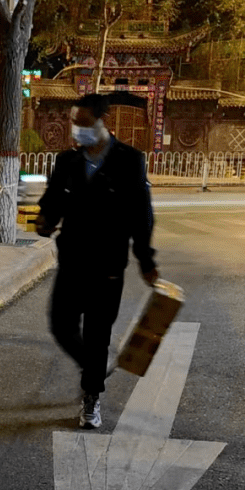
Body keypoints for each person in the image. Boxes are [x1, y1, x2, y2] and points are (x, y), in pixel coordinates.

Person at [35, 93, 159, 429]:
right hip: (72, 261)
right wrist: (45, 220)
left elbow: (141, 214)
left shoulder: (129, 160)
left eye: (84, 123)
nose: (77, 129)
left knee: (97, 334)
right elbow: (53, 201)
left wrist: (146, 259)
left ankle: (92, 396)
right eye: (75, 122)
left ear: (103, 122)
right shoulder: (68, 162)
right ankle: (94, 366)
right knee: (60, 325)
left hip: (107, 266)